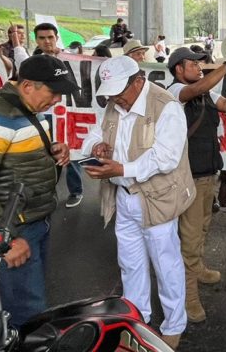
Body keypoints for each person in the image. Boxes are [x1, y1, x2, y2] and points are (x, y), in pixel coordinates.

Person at [0, 55, 78, 328]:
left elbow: (15, 152)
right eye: (53, 92)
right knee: (26, 313)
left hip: (34, 221)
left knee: (29, 305)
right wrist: (4, 240)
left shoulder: (26, 109)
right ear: (28, 85)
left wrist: (51, 150)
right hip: (15, 230)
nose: (57, 99)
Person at [81, 57, 193, 348]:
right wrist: (96, 145)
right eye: (111, 91)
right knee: (130, 265)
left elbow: (166, 157)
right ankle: (137, 321)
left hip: (156, 199)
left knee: (166, 265)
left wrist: (121, 169)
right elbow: (94, 131)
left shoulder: (166, 106)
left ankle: (174, 324)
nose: (115, 97)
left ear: (138, 81)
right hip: (124, 198)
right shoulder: (113, 104)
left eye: (120, 90)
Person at [164, 47, 226, 323]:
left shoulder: (207, 92)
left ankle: (198, 269)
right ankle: (189, 296)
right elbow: (196, 90)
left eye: (200, 63)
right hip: (188, 178)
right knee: (190, 239)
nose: (198, 67)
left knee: (203, 228)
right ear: (178, 70)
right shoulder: (174, 91)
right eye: (192, 64)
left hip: (209, 173)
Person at [13, 23, 84, 208]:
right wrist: (15, 40)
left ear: (56, 37)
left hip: (70, 115)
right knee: (47, 155)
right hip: (46, 118)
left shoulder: (73, 58)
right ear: (36, 40)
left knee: (72, 154)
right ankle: (47, 192)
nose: (47, 41)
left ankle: (75, 191)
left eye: (50, 37)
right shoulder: (34, 63)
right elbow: (20, 56)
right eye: (42, 38)